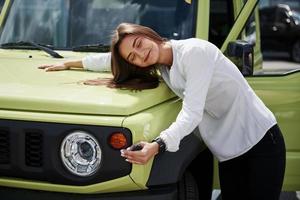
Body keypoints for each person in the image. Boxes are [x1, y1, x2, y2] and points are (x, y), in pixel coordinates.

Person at [39, 23, 286, 200]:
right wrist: (69, 63)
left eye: (138, 44)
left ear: (147, 34)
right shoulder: (162, 66)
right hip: (229, 152)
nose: (140, 54)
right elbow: (109, 60)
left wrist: (157, 145)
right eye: (133, 57)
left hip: (260, 141)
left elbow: (192, 113)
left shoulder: (194, 52)